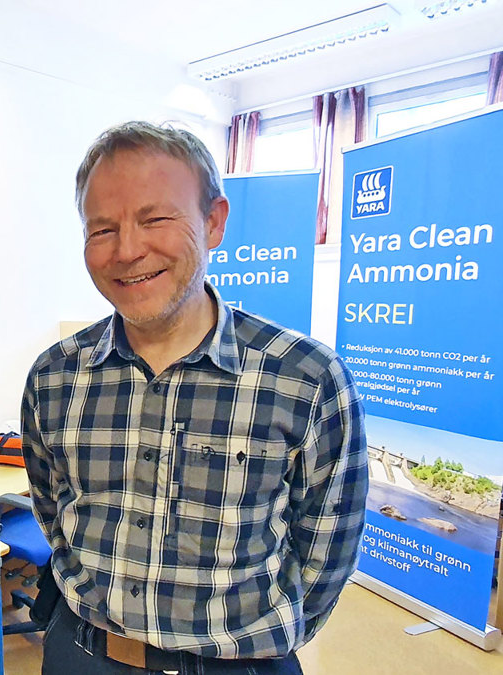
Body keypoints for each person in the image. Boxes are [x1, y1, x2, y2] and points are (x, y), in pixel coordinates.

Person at [22, 122, 367, 674]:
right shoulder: (55, 377)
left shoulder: (305, 378)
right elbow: (53, 509)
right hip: (83, 653)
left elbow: (327, 547)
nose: (128, 250)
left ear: (213, 222)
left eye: (155, 218)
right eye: (102, 228)